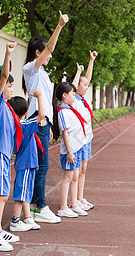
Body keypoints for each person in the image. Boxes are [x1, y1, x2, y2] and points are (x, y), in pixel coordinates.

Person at [22, 11, 69, 224]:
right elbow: (50, 48)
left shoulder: (42, 73)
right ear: (38, 52)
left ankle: (33, 205)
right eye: (47, 52)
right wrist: (59, 26)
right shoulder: (31, 68)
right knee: (41, 166)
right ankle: (39, 206)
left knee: (40, 166)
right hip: (36, 121)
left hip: (42, 122)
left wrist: (49, 124)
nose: (50, 55)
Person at [0, 42, 21, 252]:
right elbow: (4, 76)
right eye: (9, 85)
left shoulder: (7, 107)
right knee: (2, 195)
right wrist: (8, 54)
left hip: (3, 155)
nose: (11, 88)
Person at [7, 88, 46, 232]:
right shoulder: (23, 126)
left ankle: (28, 218)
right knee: (20, 194)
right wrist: (40, 97)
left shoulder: (19, 125)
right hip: (26, 164)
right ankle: (15, 222)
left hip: (27, 164)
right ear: (25, 111)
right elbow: (41, 114)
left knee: (25, 193)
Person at [67, 51, 98, 211]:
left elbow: (88, 78)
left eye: (86, 85)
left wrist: (91, 61)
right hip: (77, 140)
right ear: (76, 86)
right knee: (76, 171)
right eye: (84, 85)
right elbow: (72, 85)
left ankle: (80, 197)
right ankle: (74, 201)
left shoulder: (84, 98)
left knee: (83, 169)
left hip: (87, 138)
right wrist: (78, 72)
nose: (86, 87)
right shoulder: (73, 100)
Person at [52, 82, 88, 218]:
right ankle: (63, 207)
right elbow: (65, 133)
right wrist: (69, 152)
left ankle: (74, 204)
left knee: (74, 176)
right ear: (64, 95)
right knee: (67, 178)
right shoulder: (62, 112)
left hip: (77, 148)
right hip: (71, 151)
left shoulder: (69, 109)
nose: (74, 97)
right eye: (72, 94)